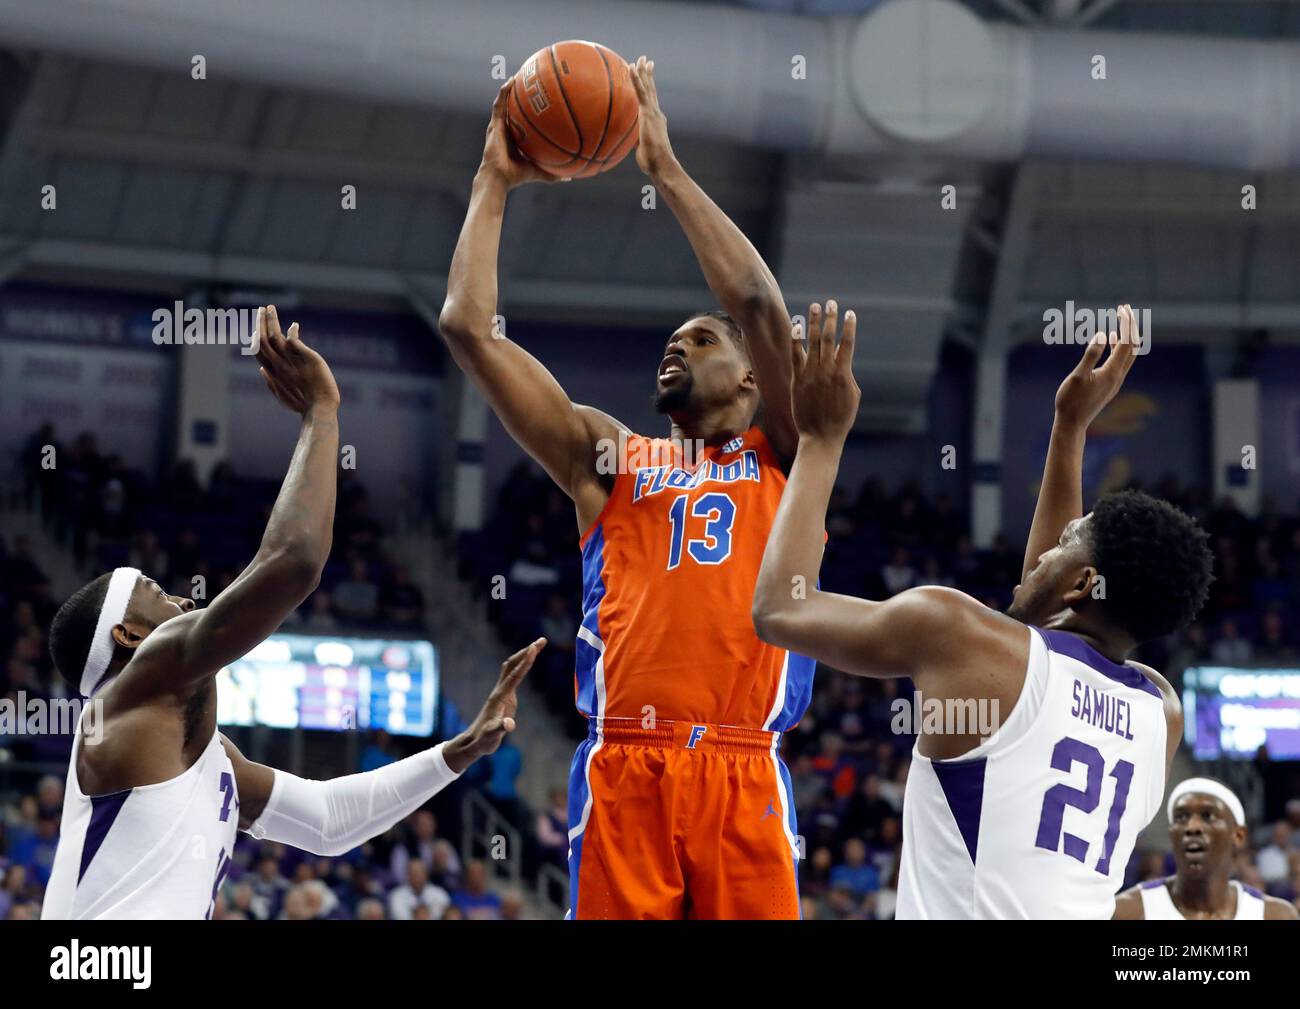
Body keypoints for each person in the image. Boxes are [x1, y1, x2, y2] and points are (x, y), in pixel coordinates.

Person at [439, 58, 808, 919]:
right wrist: (493, 178)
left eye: (703, 340)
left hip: (744, 762)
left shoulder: (787, 455)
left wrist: (665, 170)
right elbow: (466, 326)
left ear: (752, 382)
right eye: (672, 341)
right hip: (624, 764)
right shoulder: (609, 458)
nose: (676, 348)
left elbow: (755, 297)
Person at [40, 306, 545, 919]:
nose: (183, 599)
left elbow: (330, 822)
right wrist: (321, 415)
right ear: (127, 635)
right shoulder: (132, 691)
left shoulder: (206, 757)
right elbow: (295, 562)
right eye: (157, 593)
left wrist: (456, 754)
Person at [753, 303, 1214, 919]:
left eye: (1066, 541)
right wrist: (1069, 427)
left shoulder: (955, 630)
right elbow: (1044, 637)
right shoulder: (1162, 711)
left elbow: (781, 608)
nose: (1045, 551)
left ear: (1082, 585)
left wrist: (819, 439)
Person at [1113, 778, 1298, 920]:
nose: (1192, 827)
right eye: (1181, 817)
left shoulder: (1276, 915)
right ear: (1172, 835)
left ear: (1238, 835)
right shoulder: (1128, 911)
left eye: (1208, 816)